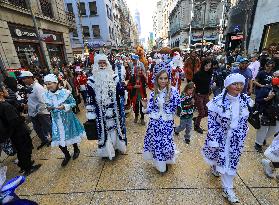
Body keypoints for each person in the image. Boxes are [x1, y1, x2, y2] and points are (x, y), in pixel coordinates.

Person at [202, 73, 253, 204]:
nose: (239, 87)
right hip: (222, 138)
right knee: (223, 159)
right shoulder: (218, 101)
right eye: (235, 84)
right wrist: (214, 139)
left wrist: (243, 132)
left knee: (231, 162)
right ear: (228, 85)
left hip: (237, 140)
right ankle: (228, 189)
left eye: (241, 84)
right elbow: (212, 123)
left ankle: (226, 186)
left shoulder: (245, 100)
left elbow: (244, 119)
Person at [86, 54, 127, 160]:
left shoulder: (114, 78)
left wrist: (123, 91)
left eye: (104, 63)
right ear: (96, 65)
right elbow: (90, 97)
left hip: (114, 111)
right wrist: (91, 113)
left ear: (107, 64)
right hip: (100, 112)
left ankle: (116, 146)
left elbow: (119, 91)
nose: (102, 65)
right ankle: (106, 151)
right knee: (104, 132)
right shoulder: (91, 81)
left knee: (116, 129)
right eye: (100, 63)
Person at [142, 70, 180, 173]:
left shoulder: (173, 91)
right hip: (155, 123)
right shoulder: (154, 92)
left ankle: (167, 159)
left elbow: (178, 106)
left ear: (168, 79)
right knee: (157, 144)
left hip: (167, 123)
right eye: (161, 78)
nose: (163, 81)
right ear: (157, 79)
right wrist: (145, 106)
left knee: (166, 143)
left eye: (165, 78)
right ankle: (160, 164)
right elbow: (149, 108)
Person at [42, 74, 85, 167]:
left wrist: (65, 106)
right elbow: (47, 106)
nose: (48, 86)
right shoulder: (45, 95)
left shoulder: (65, 92)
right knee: (58, 138)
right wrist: (49, 108)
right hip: (56, 121)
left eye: (50, 83)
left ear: (56, 83)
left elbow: (74, 103)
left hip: (68, 119)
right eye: (46, 84)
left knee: (71, 135)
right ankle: (66, 155)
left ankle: (76, 149)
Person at [0, 85, 41, 175]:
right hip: (18, 132)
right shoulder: (6, 106)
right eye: (5, 89)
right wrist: (22, 118)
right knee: (24, 149)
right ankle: (28, 168)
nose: (7, 90)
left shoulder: (4, 104)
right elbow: (14, 121)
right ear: (1, 93)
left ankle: (24, 165)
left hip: (12, 133)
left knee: (20, 149)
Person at [19, 71, 51, 150]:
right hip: (33, 113)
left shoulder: (37, 87)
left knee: (47, 127)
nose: (23, 80)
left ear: (30, 78)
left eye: (24, 78)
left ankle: (55, 139)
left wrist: (37, 111)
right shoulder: (29, 87)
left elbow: (43, 101)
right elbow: (32, 99)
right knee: (37, 128)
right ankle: (44, 140)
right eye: (22, 79)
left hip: (41, 113)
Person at [254, 70, 279, 152]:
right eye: (275, 77)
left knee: (275, 129)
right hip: (266, 111)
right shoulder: (267, 88)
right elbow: (258, 100)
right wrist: (267, 98)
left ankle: (263, 138)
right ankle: (258, 143)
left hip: (277, 113)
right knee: (263, 128)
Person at [193, 60, 213, 134]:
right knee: (201, 112)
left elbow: (208, 84)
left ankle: (196, 119)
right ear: (203, 65)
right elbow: (193, 84)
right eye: (206, 65)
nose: (208, 67)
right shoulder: (198, 74)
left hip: (206, 95)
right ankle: (196, 126)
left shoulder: (209, 73)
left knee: (207, 112)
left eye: (209, 66)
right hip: (199, 95)